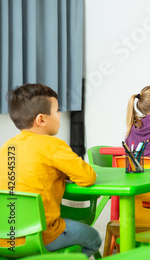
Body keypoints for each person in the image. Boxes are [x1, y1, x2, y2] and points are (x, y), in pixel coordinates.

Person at [0, 83, 101, 256]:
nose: (60, 114)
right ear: (41, 119)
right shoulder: (53, 145)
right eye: (57, 110)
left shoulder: (7, 146)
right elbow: (88, 177)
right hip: (42, 236)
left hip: (4, 238)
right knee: (95, 239)